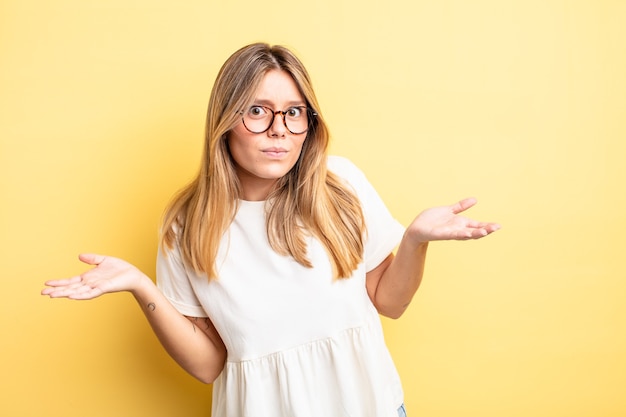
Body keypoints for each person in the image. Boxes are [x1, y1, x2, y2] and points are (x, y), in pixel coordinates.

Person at [42, 43, 500, 417]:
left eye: (294, 113)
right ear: (224, 122)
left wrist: (415, 242)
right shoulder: (187, 225)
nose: (279, 130)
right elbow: (207, 366)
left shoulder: (339, 186)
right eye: (258, 111)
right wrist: (141, 286)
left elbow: (391, 303)